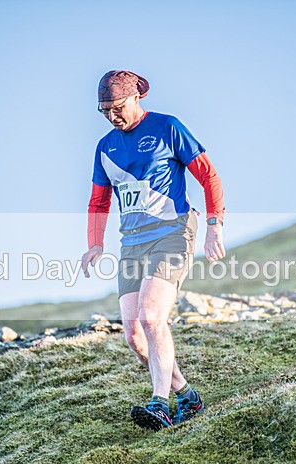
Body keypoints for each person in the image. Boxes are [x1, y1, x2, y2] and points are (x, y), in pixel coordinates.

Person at [80, 70, 226, 431]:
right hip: (132, 242)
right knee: (134, 336)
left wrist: (213, 225)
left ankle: (159, 403)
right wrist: (94, 245)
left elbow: (208, 175)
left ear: (136, 98)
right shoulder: (105, 147)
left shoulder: (168, 127)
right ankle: (187, 397)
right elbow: (98, 202)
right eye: (104, 111)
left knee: (150, 316)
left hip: (173, 231)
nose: (112, 116)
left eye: (117, 107)